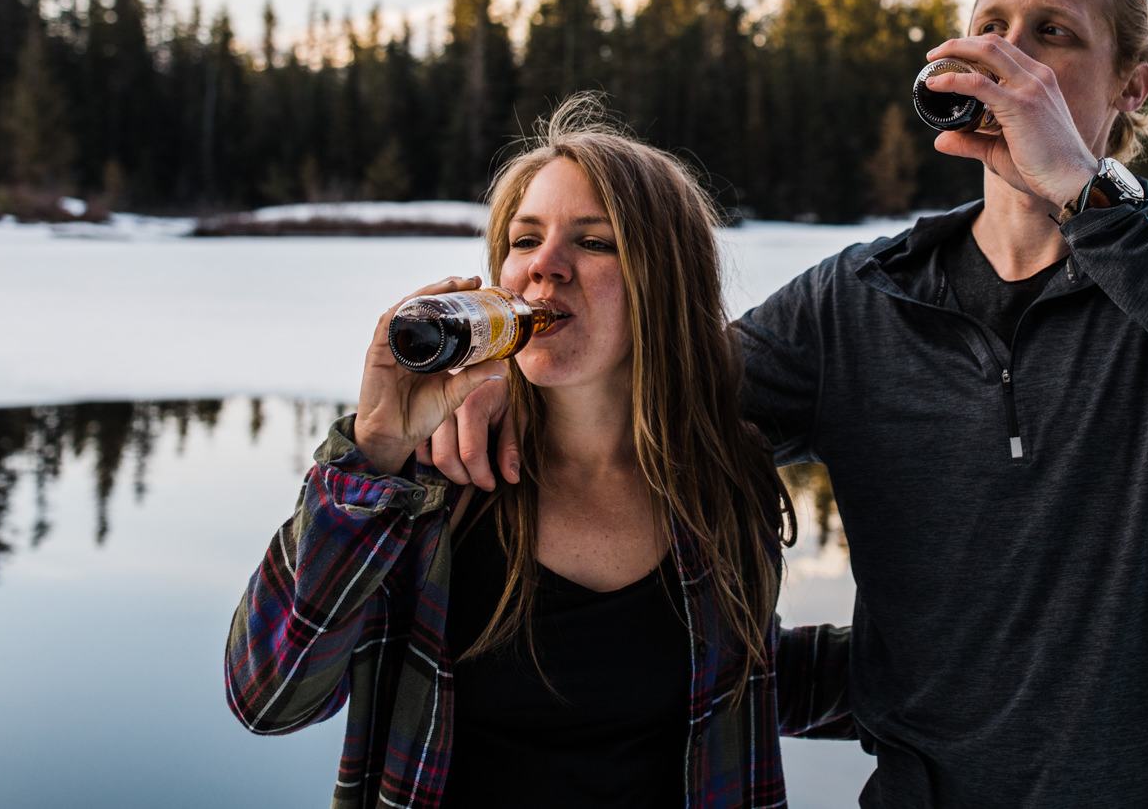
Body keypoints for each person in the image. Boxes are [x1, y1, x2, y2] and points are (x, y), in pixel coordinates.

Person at [429, 0, 1148, 807]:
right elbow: (660, 391)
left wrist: (1089, 195)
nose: (1013, 57)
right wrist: (500, 381)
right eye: (991, 26)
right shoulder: (864, 298)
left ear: (1131, 86)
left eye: (1053, 35)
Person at [225, 98, 851, 809]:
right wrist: (373, 450)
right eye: (524, 240)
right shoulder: (434, 479)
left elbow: (735, 675)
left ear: (664, 281)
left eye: (594, 241)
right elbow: (268, 696)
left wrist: (950, 664)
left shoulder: (716, 477)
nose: (544, 267)